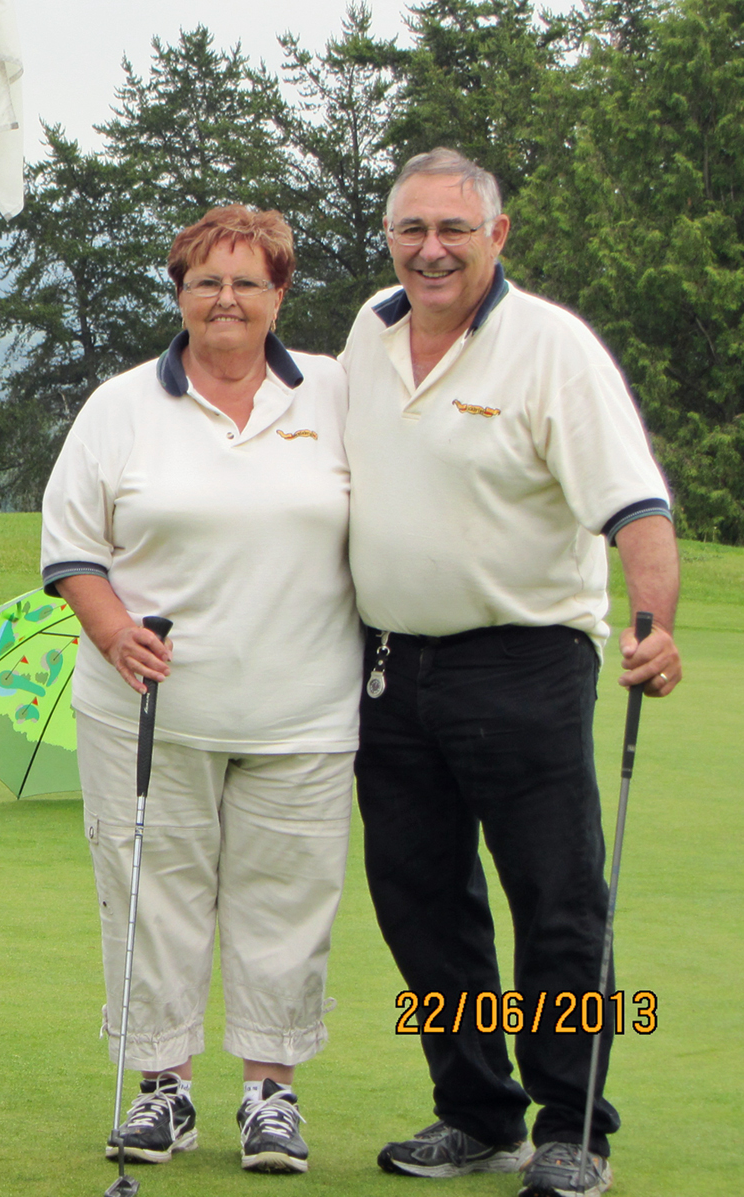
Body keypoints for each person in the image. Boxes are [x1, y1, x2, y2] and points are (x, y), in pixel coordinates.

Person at [343, 148, 683, 1197]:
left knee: (554, 900)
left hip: (523, 659)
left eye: (453, 228)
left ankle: (572, 1128)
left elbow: (635, 505)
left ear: (496, 235)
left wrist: (655, 624)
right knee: (421, 904)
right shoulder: (369, 329)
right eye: (410, 229)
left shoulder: (551, 347)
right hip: (391, 668)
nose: (429, 249)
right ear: (389, 237)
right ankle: (476, 1114)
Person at [40, 205, 360, 1175]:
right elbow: (71, 548)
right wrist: (110, 629)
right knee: (149, 896)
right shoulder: (121, 405)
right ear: (178, 292)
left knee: (286, 903)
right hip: (148, 712)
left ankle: (270, 1096)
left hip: (304, 712)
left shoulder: (337, 392)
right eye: (205, 281)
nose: (225, 299)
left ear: (279, 294)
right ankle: (162, 1091)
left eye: (246, 282)